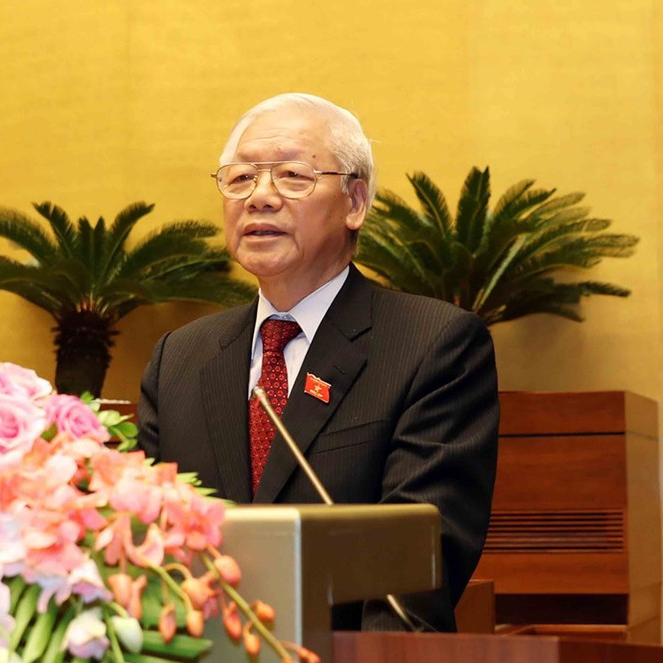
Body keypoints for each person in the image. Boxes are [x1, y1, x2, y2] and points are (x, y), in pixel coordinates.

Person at [137, 93, 499, 631]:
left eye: (292, 176)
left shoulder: (433, 344)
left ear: (355, 202)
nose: (260, 197)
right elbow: (145, 546)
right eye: (241, 178)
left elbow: (415, 572)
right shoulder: (180, 358)